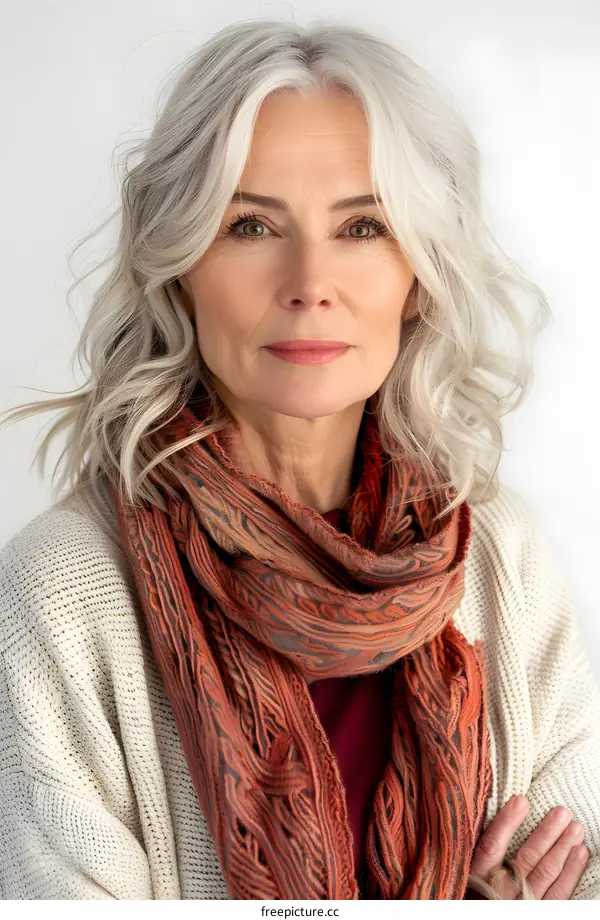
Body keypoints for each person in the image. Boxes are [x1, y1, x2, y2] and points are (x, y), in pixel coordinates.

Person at [0, 18, 598, 901]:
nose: (310, 280)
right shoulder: (59, 596)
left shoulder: (500, 560)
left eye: (362, 227)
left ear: (419, 273)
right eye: (249, 224)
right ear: (179, 268)